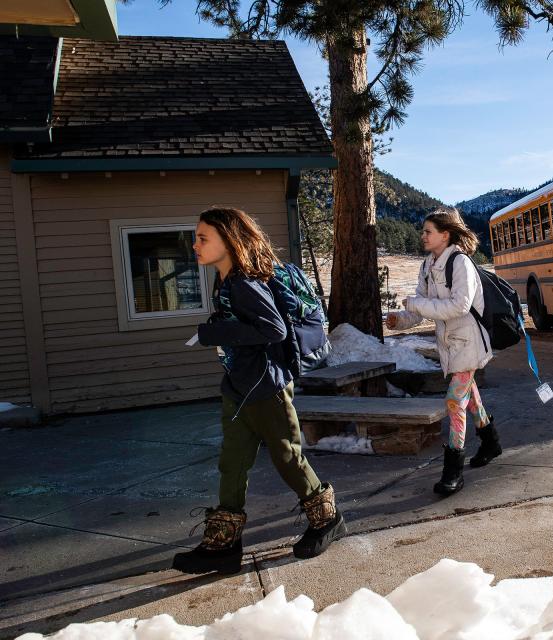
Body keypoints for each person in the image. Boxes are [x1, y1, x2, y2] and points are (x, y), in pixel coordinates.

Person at [172, 207, 345, 575]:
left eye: (204, 237)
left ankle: (327, 519)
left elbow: (274, 330)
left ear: (228, 240)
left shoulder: (242, 283)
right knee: (232, 462)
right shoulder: (227, 280)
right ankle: (223, 545)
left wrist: (212, 333)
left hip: (266, 387)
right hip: (239, 387)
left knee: (286, 457)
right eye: (196, 237)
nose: (195, 244)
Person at [386, 210, 500, 496]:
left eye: (428, 231)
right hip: (449, 344)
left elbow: (458, 307)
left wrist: (416, 306)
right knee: (468, 395)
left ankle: (453, 471)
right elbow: (422, 307)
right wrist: (401, 319)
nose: (423, 236)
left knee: (454, 401)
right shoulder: (427, 266)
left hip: (468, 342)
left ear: (445, 234)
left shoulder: (460, 263)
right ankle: (490, 441)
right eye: (423, 231)